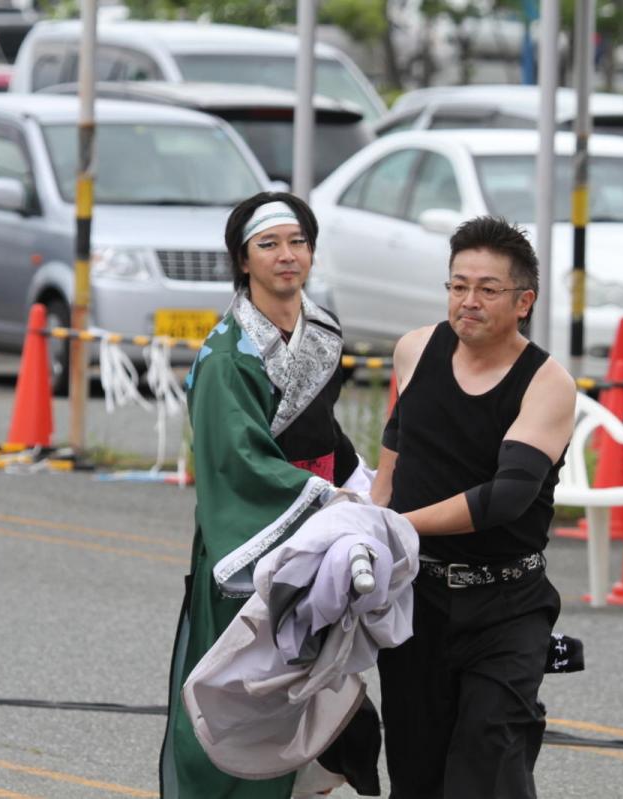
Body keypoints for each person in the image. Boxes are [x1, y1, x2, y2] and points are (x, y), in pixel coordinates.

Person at [159, 191, 366, 799]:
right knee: (244, 692)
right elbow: (236, 461)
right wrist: (325, 500)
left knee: (314, 684)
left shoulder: (322, 329)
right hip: (255, 535)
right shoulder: (228, 355)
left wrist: (362, 485)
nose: (286, 255)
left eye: (298, 242)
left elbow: (320, 430)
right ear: (243, 260)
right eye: (269, 244)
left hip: (316, 525)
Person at [370, 216, 577, 799]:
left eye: (488, 289)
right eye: (458, 286)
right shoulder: (415, 350)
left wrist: (397, 525)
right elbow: (401, 435)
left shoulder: (547, 383)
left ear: (523, 302)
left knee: (490, 758)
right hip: (416, 597)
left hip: (507, 604)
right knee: (417, 773)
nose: (469, 301)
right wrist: (371, 512)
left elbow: (507, 496)